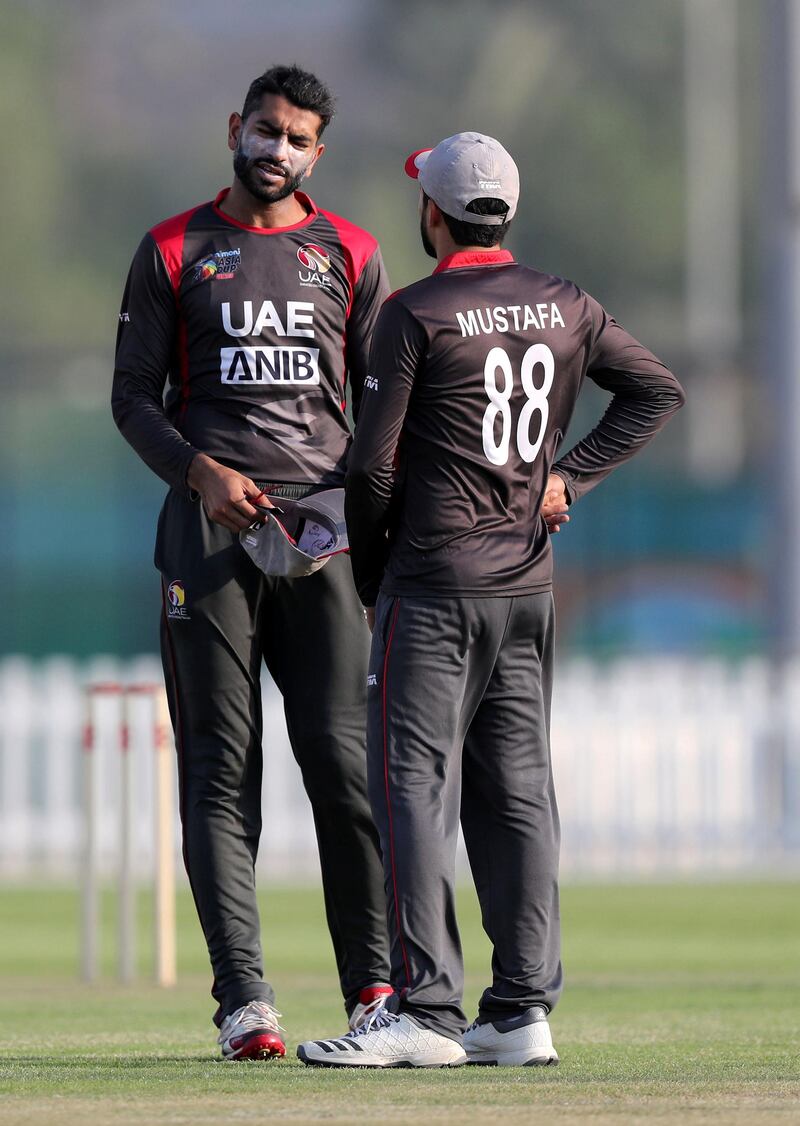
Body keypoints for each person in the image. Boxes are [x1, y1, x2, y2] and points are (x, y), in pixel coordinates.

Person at [297, 132, 685, 1068]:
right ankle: (519, 1011)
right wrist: (570, 477)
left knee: (411, 791)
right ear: (506, 211)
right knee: (517, 797)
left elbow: (372, 466)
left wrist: (370, 571)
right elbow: (656, 392)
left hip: (433, 587)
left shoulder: (413, 312)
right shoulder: (568, 304)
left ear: (433, 213)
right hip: (526, 587)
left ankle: (424, 1013)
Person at [112, 65, 392, 1060]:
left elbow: (384, 415)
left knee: (345, 771)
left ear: (318, 153)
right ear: (235, 127)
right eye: (265, 131)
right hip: (208, 540)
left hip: (323, 547)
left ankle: (374, 990)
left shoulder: (351, 253)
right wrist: (200, 473)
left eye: (298, 140)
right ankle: (245, 1001)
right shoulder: (173, 248)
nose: (277, 151)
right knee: (222, 772)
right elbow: (132, 399)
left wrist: (371, 525)